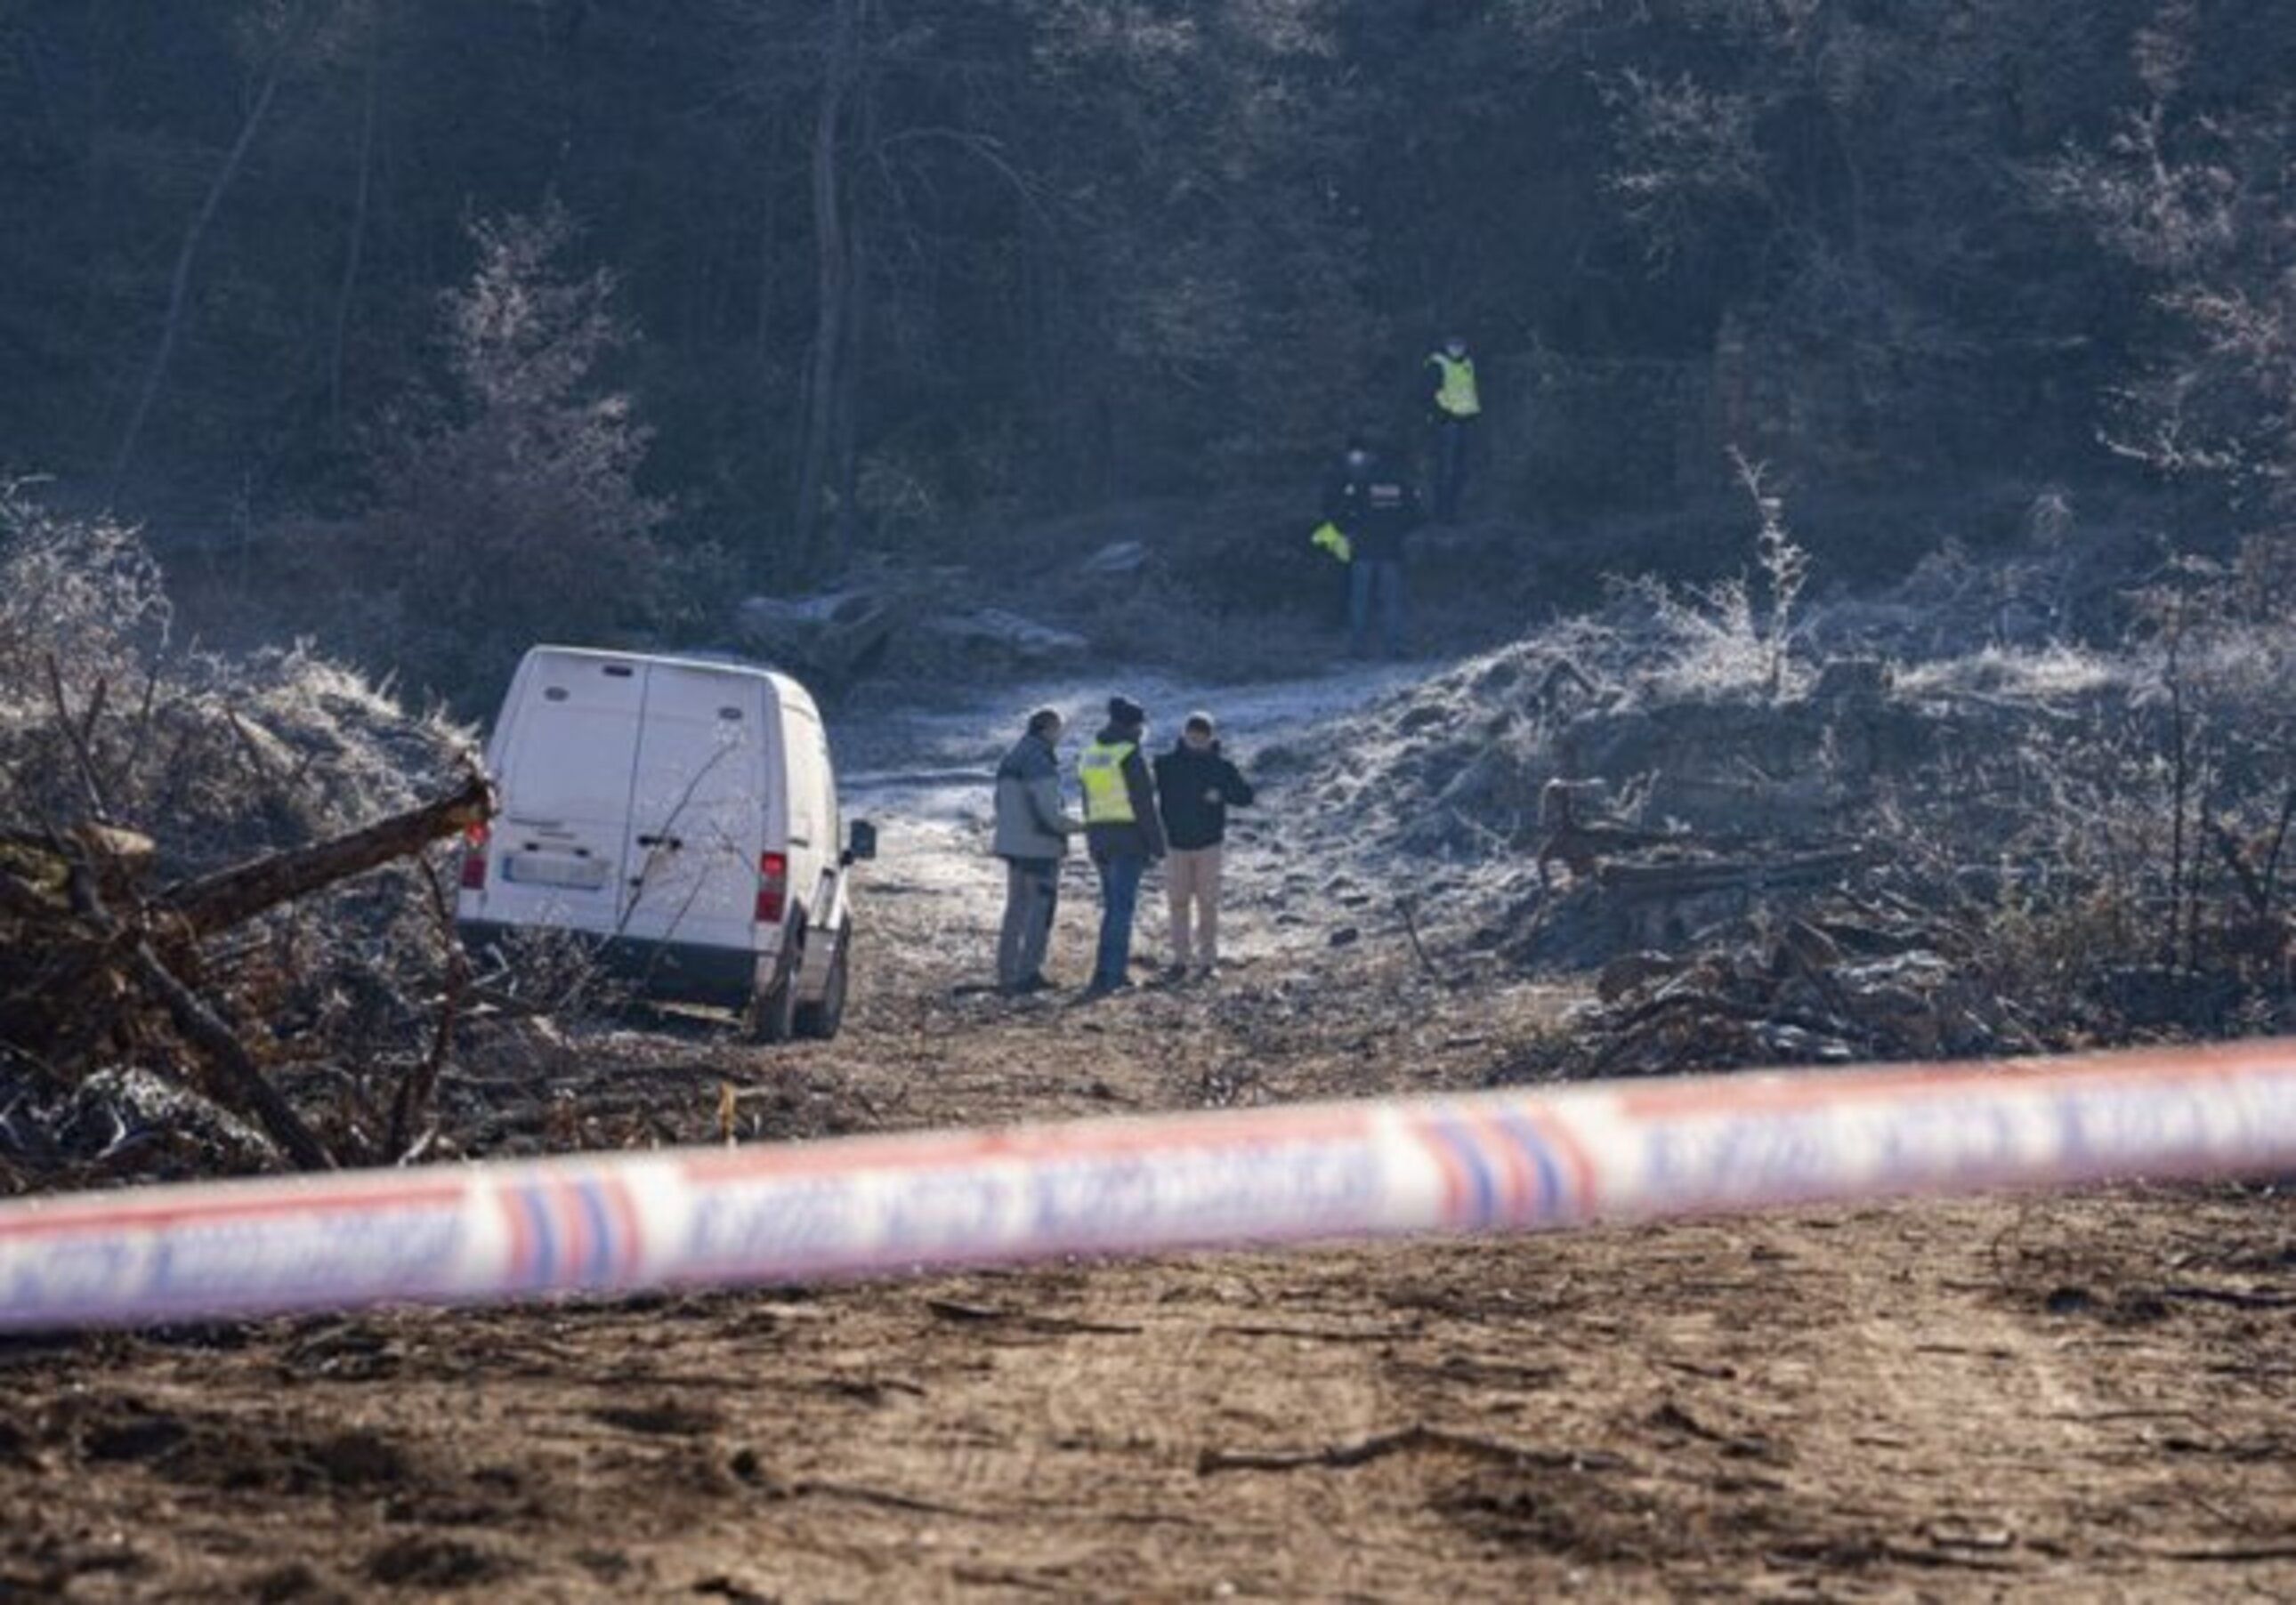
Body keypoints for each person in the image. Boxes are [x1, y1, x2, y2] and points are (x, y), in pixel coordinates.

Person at [1151, 711, 1255, 979]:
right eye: (1193, 735)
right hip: (1175, 844)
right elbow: (1143, 792)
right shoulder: (1165, 765)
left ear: (1211, 737)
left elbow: (1246, 796)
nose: (1197, 740)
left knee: (1208, 903)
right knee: (1177, 903)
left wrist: (1221, 794)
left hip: (1210, 844)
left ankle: (1208, 961)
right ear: (1184, 734)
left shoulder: (1221, 766)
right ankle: (1179, 960)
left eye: (1202, 736)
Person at [991, 706, 1084, 995]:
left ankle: (1007, 972)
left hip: (1012, 847)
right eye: (1058, 729)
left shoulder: (1011, 758)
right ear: (1047, 730)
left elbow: (999, 804)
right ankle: (1028, 973)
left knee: (1015, 909)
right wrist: (1081, 827)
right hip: (1039, 849)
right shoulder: (1039, 762)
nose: (1060, 735)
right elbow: (1049, 814)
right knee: (1038, 912)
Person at [1078, 695, 1166, 996]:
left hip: (1100, 839)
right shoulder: (1129, 754)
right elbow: (1144, 805)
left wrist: (1091, 840)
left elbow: (1087, 802)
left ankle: (1103, 971)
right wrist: (1158, 845)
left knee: (1111, 908)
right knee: (1122, 909)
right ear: (1135, 725)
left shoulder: (1091, 754)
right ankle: (1114, 975)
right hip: (1128, 841)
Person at [1322, 440, 1421, 657]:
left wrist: (1349, 531)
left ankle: (1357, 648)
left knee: (1359, 602)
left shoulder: (1361, 484)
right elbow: (1416, 515)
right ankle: (1396, 648)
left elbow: (1343, 514)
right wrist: (1399, 531)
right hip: (1391, 551)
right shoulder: (1402, 484)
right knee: (1392, 603)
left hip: (1363, 551)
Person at [1425, 333, 1481, 522]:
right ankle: (1442, 515)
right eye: (1453, 345)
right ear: (1445, 346)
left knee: (1460, 470)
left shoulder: (1468, 364)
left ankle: (1454, 513)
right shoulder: (1437, 363)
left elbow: (1470, 391)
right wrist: (1440, 415)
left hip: (1466, 422)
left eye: (1460, 345)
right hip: (1447, 422)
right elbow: (1430, 392)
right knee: (1445, 470)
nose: (1457, 349)